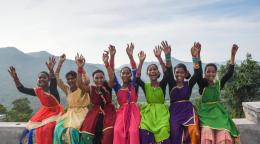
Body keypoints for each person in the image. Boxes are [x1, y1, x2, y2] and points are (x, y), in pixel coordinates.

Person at [8, 56, 64, 144]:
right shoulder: (37, 91)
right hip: (44, 112)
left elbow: (53, 80)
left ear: (48, 80)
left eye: (44, 77)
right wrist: (15, 78)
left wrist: (51, 70)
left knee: (46, 129)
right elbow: (22, 89)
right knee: (28, 128)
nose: (41, 79)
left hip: (56, 112)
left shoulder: (52, 88)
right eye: (39, 77)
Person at [197, 43, 240, 144]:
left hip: (218, 112)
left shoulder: (219, 83)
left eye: (213, 72)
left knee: (224, 132)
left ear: (216, 73)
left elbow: (229, 73)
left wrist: (232, 56)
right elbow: (198, 72)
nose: (211, 74)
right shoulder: (202, 84)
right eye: (208, 72)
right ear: (205, 73)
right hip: (205, 114)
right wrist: (198, 55)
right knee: (207, 131)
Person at [80, 47, 116, 144]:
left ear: (104, 78)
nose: (99, 80)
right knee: (89, 131)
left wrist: (106, 63)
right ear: (93, 79)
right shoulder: (91, 89)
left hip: (109, 112)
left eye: (101, 77)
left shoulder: (107, 86)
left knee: (108, 132)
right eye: (97, 78)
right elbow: (80, 85)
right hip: (95, 113)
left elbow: (112, 78)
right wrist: (80, 68)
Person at [166, 41, 201, 144]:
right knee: (175, 132)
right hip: (175, 112)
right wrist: (168, 55)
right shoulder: (172, 83)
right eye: (177, 72)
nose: (179, 74)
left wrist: (195, 57)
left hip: (188, 111)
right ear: (174, 73)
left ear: (185, 73)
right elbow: (168, 70)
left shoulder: (188, 84)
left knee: (194, 130)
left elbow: (198, 73)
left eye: (182, 72)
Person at [136, 46, 171, 144]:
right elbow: (137, 79)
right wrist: (141, 62)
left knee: (164, 131)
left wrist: (159, 58)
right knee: (144, 131)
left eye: (155, 69)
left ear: (158, 72)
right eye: (150, 70)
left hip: (161, 114)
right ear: (147, 73)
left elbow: (167, 74)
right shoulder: (145, 86)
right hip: (148, 114)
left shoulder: (162, 84)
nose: (152, 71)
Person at [53, 54, 90, 144]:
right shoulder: (67, 89)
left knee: (72, 130)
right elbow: (56, 77)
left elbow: (87, 80)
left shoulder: (82, 88)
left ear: (77, 79)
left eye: (72, 78)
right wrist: (60, 62)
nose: (70, 81)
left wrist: (80, 67)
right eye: (68, 79)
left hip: (81, 113)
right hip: (69, 113)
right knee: (57, 128)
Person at [112, 43, 140, 144]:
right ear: (120, 74)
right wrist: (112, 56)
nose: (125, 74)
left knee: (133, 131)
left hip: (133, 112)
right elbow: (111, 72)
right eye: (123, 73)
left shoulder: (134, 85)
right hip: (121, 112)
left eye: (127, 73)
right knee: (117, 130)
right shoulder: (117, 87)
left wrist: (131, 56)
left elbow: (135, 71)